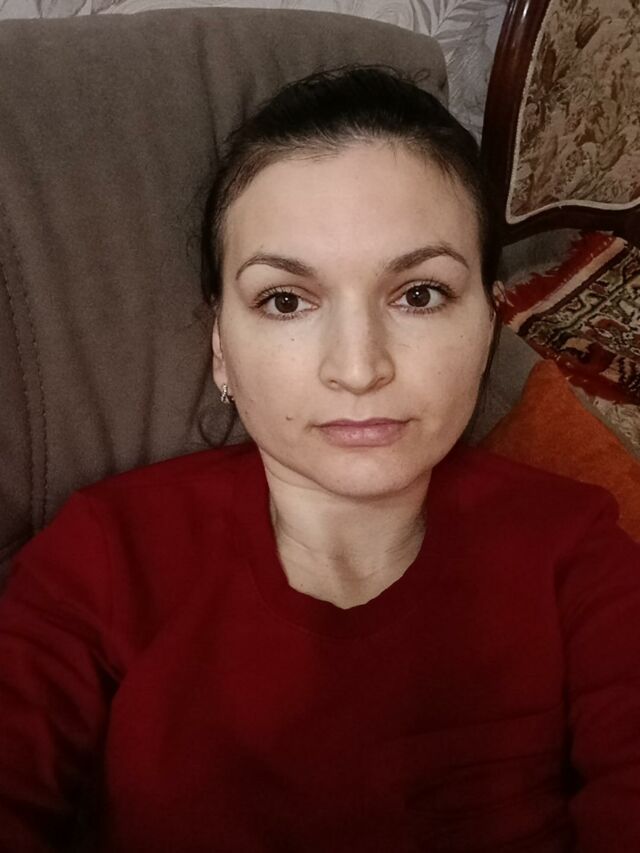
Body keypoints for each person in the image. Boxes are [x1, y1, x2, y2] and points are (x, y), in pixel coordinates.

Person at [0, 65, 639, 853]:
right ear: (221, 347)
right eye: (285, 300)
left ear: (487, 323)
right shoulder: (102, 553)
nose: (359, 367)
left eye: (420, 293)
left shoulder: (575, 549)